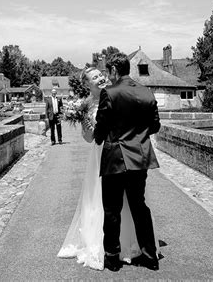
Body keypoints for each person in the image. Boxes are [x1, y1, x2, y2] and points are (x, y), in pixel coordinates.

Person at [57, 67, 149, 270]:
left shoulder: (117, 93)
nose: (100, 78)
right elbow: (89, 138)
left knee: (125, 200)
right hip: (100, 154)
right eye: (94, 77)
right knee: (100, 199)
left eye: (100, 74)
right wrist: (88, 127)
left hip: (121, 153)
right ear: (86, 84)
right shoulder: (86, 105)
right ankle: (102, 245)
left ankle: (129, 243)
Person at [94, 53, 161, 272]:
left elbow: (101, 128)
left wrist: (100, 136)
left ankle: (112, 257)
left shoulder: (110, 93)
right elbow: (155, 126)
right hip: (139, 157)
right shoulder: (146, 92)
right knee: (139, 205)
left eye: (107, 71)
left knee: (112, 208)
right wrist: (138, 138)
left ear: (114, 70)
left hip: (115, 158)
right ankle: (150, 255)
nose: (107, 75)